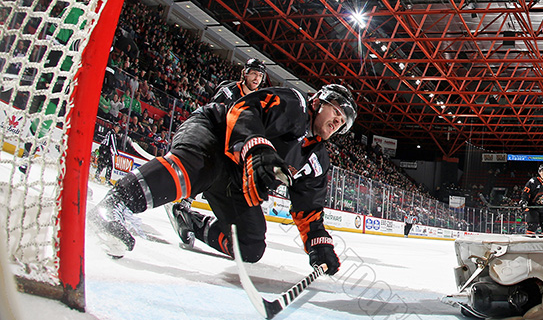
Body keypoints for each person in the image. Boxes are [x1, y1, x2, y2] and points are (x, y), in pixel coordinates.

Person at [88, 83, 357, 276]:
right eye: (336, 111)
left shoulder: (317, 160)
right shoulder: (294, 104)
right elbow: (244, 109)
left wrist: (318, 243)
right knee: (201, 166)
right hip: (215, 135)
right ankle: (114, 205)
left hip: (235, 180)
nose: (338, 120)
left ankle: (189, 221)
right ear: (319, 102)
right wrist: (257, 147)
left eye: (343, 121)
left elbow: (308, 209)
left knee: (250, 246)